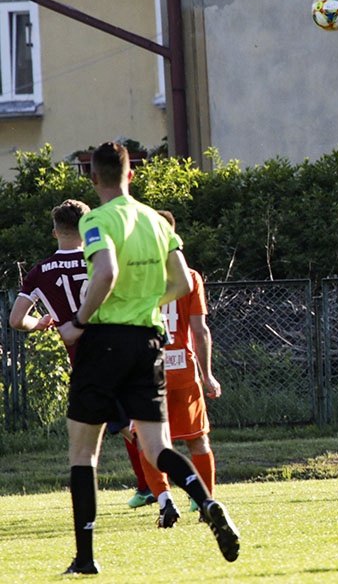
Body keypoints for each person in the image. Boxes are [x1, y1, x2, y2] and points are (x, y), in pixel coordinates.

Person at [56, 142, 239, 574]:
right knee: (158, 446)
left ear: (94, 179)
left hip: (104, 342)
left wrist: (79, 321)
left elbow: (105, 273)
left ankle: (85, 560)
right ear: (131, 176)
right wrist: (146, 303)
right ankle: (208, 503)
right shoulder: (158, 221)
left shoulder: (95, 219)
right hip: (148, 342)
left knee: (84, 454)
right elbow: (180, 282)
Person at [7, 199, 156, 510]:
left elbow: (16, 320)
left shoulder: (39, 273)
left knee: (91, 445)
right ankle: (152, 486)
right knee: (128, 423)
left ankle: (159, 485)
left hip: (85, 362)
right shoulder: (102, 261)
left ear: (54, 233)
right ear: (88, 228)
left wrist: (41, 324)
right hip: (123, 348)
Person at [137, 210, 222, 529]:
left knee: (150, 444)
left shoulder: (139, 275)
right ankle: (206, 504)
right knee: (198, 440)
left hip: (146, 369)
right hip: (183, 369)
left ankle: (165, 501)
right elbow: (200, 330)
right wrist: (207, 373)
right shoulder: (191, 277)